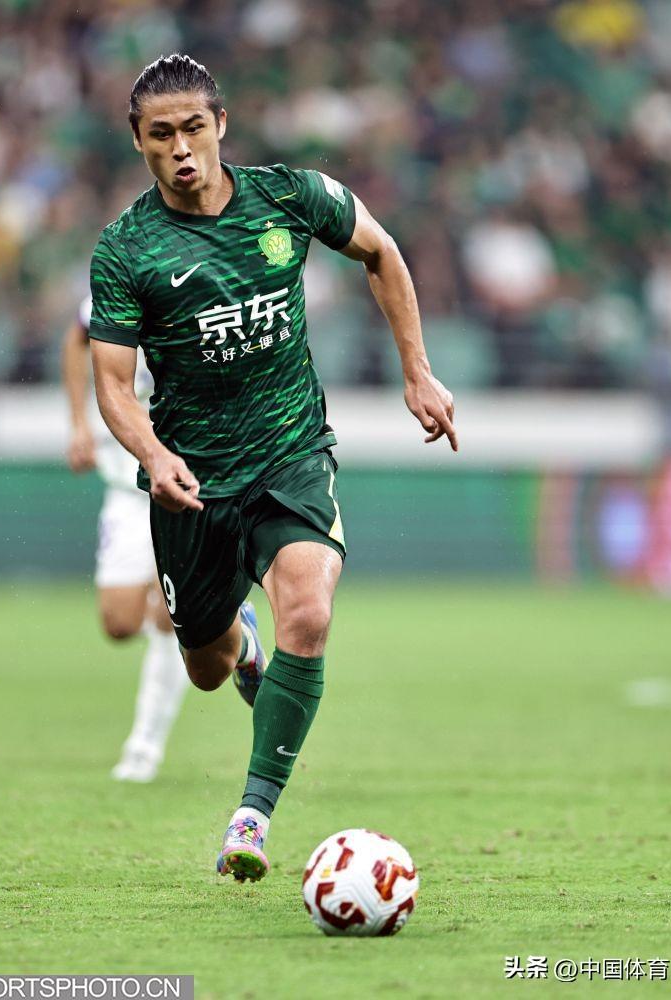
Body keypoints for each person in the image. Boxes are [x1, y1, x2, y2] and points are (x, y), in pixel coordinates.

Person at [88, 54, 457, 882]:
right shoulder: (126, 250)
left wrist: (418, 370)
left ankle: (251, 816)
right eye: (161, 134)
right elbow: (112, 385)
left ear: (221, 124)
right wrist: (155, 455)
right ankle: (240, 642)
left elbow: (381, 251)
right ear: (138, 142)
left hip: (291, 452)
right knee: (206, 666)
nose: (181, 147)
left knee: (310, 614)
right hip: (193, 483)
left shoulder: (291, 197)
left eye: (194, 127)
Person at [62, 295, 188, 783]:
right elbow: (76, 337)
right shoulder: (117, 285)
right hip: (126, 486)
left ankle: (144, 747)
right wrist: (79, 423)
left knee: (172, 620)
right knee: (118, 622)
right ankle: (216, 621)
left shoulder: (206, 284)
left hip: (188, 482)